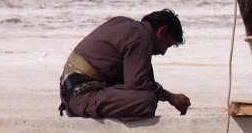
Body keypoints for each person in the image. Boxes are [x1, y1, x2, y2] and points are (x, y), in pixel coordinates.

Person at [58, 9, 191, 121]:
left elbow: (145, 78)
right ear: (161, 31)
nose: (163, 52)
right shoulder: (141, 36)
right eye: (166, 45)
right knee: (147, 100)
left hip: (71, 93)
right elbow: (137, 83)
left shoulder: (126, 24)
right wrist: (171, 97)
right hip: (81, 96)